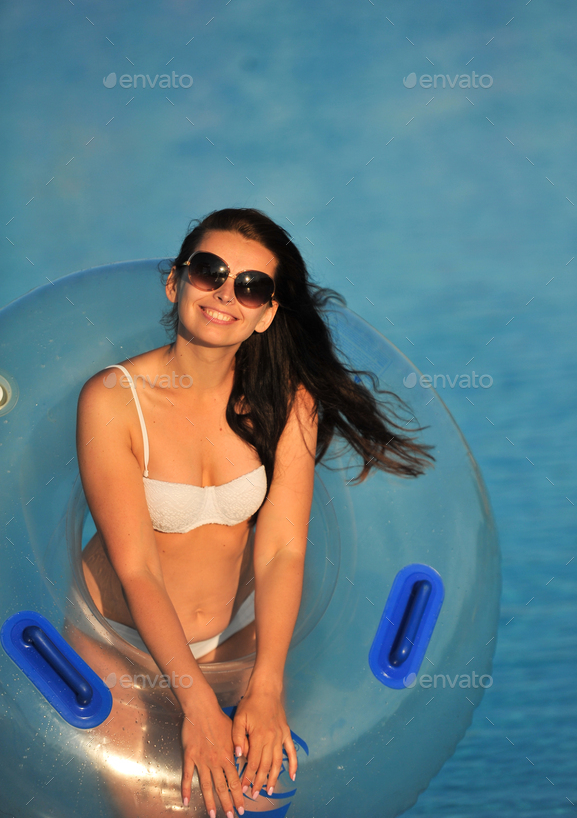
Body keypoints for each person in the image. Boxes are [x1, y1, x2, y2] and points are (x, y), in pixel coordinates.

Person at [75, 207, 435, 818]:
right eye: (209, 271)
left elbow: (281, 550)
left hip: (234, 643)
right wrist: (194, 706)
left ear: (268, 312)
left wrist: (266, 684)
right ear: (176, 282)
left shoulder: (287, 403)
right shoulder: (112, 401)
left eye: (251, 286)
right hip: (121, 643)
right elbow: (137, 568)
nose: (225, 294)